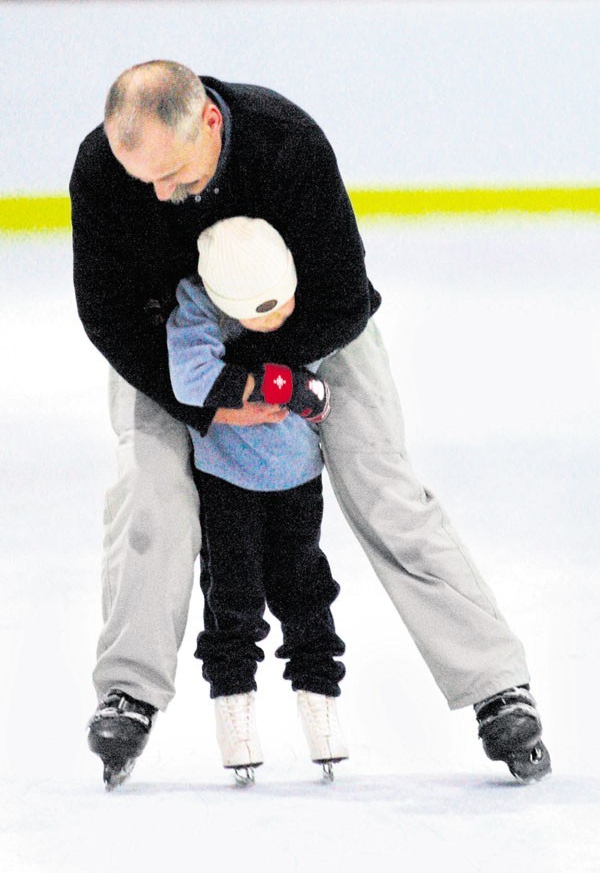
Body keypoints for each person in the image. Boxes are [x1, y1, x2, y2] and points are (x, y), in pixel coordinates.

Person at [71, 60, 550, 788]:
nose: (161, 194)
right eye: (146, 182)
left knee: (381, 481)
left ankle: (497, 685)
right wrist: (211, 394)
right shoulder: (106, 170)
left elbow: (341, 297)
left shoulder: (286, 142)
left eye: (171, 175)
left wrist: (268, 380)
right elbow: (107, 316)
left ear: (207, 121)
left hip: (306, 331)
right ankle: (128, 691)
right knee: (151, 491)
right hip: (175, 351)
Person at [166, 215, 348, 784]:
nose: (279, 321)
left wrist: (299, 390)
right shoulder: (198, 306)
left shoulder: (302, 293)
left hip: (297, 478)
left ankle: (321, 703)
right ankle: (234, 708)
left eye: (283, 304)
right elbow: (190, 379)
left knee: (307, 589)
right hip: (227, 484)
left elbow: (318, 393)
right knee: (233, 597)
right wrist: (276, 385)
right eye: (260, 314)